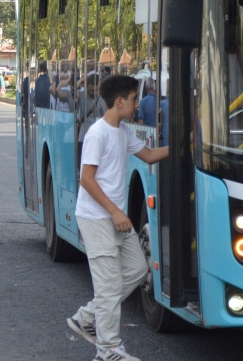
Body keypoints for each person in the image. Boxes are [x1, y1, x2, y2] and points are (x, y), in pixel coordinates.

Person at [66, 75, 168, 361]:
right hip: (98, 218)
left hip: (115, 218)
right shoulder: (98, 133)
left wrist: (183, 150)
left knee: (137, 269)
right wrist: (114, 212)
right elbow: (86, 179)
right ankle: (108, 350)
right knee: (109, 287)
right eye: (135, 99)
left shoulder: (123, 131)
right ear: (120, 102)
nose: (138, 105)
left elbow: (147, 155)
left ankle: (86, 317)